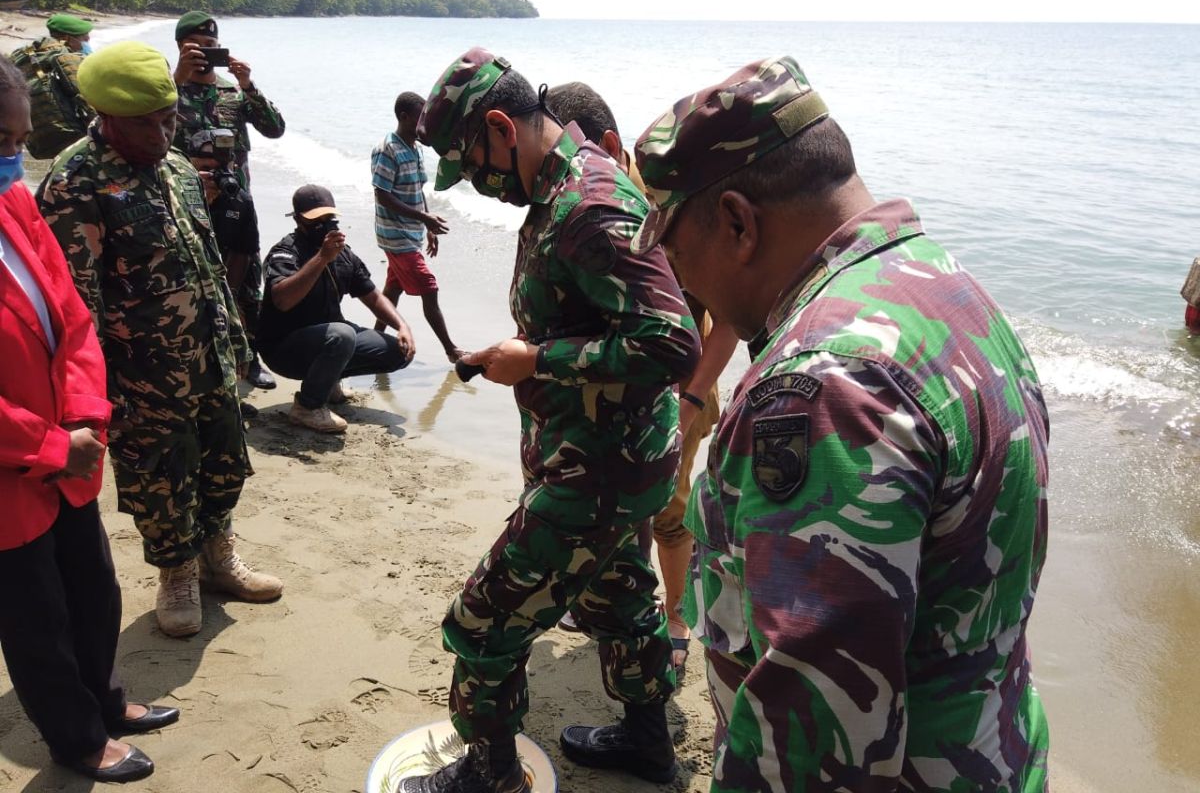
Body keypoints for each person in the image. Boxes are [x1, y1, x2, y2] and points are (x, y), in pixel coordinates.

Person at [632, 56, 1051, 792]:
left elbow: (816, 742)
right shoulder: (944, 286)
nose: (678, 280)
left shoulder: (823, 388)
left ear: (736, 222)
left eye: (673, 248)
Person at [404, 48, 701, 793]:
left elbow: (672, 344)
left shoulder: (588, 204)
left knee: (482, 622)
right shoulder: (557, 191)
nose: (474, 181)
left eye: (471, 163)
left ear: (501, 126)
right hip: (603, 459)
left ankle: (491, 774)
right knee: (621, 598)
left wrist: (539, 360)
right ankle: (646, 744)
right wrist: (528, 357)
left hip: (599, 469)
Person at [36, 41, 284, 640]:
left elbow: (207, 262)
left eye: (169, 117)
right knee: (160, 477)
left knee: (224, 460)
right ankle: (176, 573)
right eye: (146, 123)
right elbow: (76, 307)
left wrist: (238, 341)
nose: (162, 133)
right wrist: (96, 397)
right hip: (141, 374)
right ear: (107, 116)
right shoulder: (76, 183)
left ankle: (218, 556)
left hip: (209, 355)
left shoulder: (176, 169)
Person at [0, 53, 178, 783]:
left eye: (18, 138)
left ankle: (104, 700)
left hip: (68, 447)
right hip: (15, 471)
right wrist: (47, 443)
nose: (15, 156)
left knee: (93, 587)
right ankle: (75, 737)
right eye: (3, 142)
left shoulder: (13, 203)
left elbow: (70, 315)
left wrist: (83, 417)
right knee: (35, 615)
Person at [545, 81, 739, 676]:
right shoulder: (581, 204)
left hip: (683, 390)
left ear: (605, 144)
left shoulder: (667, 206)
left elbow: (728, 317)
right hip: (617, 395)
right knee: (617, 512)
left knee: (669, 515)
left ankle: (675, 618)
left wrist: (692, 398)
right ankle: (623, 609)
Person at [258, 184, 416, 434]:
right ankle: (308, 407)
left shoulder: (344, 255)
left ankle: (327, 383)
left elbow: (372, 296)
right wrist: (321, 258)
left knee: (398, 351)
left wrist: (402, 326)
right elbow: (282, 300)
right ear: (298, 220)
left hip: (329, 339)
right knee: (342, 334)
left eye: (328, 219)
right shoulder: (285, 252)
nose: (324, 226)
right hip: (285, 348)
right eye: (315, 221)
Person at [184, 127, 275, 396]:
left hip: (228, 266)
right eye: (207, 168)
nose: (216, 175)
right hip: (185, 271)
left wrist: (229, 295)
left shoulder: (240, 201)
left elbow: (244, 251)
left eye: (222, 168)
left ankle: (248, 360)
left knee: (250, 299)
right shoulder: (174, 196)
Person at [373, 91, 462, 362]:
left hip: (410, 233)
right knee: (429, 287)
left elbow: (417, 190)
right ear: (404, 117)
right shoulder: (388, 149)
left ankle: (375, 340)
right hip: (394, 234)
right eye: (420, 118)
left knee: (393, 289)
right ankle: (451, 350)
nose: (426, 124)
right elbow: (382, 195)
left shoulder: (416, 148)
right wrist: (424, 219)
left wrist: (429, 227)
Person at [171, 11, 285, 192]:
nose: (203, 50)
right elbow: (143, 134)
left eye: (209, 45)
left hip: (234, 199)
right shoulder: (167, 92)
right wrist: (177, 79)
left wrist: (248, 86)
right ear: (180, 47)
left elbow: (275, 129)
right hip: (183, 198)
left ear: (219, 48)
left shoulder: (236, 93)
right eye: (195, 44)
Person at [7, 13, 96, 160]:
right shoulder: (68, 58)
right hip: (71, 134)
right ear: (67, 38)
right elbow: (85, 97)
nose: (87, 43)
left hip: (35, 137)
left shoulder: (26, 55)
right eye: (85, 39)